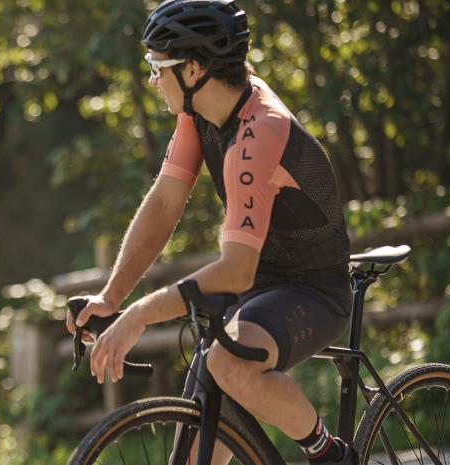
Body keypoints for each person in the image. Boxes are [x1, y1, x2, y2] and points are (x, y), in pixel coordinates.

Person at [70, 1, 356, 463]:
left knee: (228, 364)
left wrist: (140, 314)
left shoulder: (257, 134)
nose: (152, 79)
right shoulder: (200, 114)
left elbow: (236, 271)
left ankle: (330, 454)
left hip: (312, 290)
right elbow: (164, 204)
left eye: (157, 67)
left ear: (195, 68)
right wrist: (111, 298)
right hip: (259, 292)